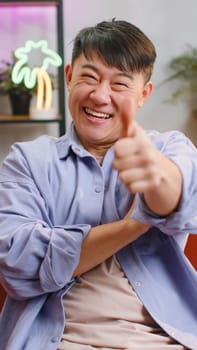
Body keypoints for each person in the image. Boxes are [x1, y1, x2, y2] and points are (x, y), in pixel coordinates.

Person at [0, 19, 197, 350]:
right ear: (68, 77)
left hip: (161, 340)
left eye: (120, 84)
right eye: (89, 77)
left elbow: (182, 192)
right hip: (55, 341)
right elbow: (17, 262)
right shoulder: (27, 161)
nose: (100, 96)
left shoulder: (166, 149)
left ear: (143, 94)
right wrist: (134, 224)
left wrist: (159, 183)